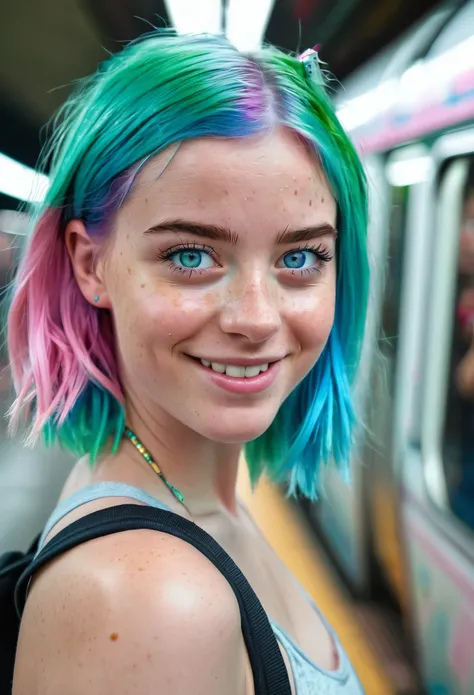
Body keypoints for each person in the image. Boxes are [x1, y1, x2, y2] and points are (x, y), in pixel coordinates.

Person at [8, 32, 369, 694]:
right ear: (92, 265)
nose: (256, 318)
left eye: (300, 257)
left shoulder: (193, 497)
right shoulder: (152, 602)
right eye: (191, 256)